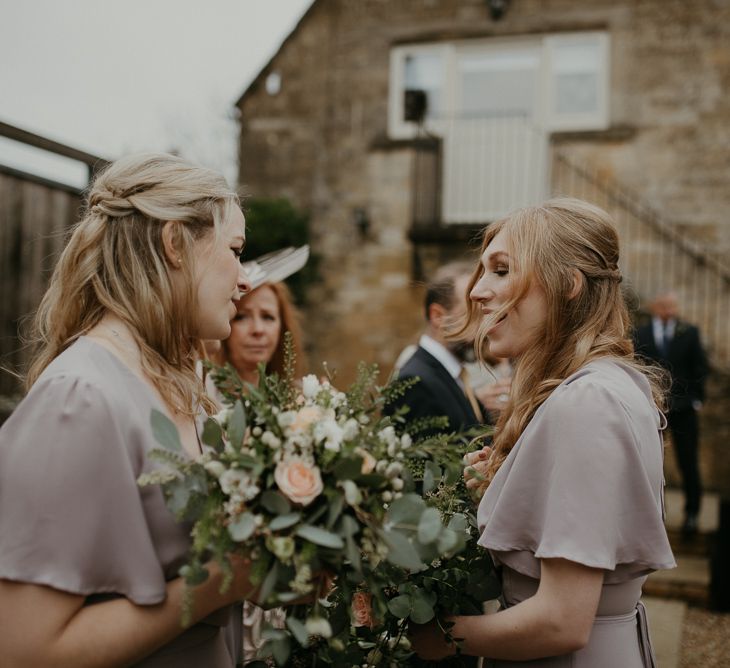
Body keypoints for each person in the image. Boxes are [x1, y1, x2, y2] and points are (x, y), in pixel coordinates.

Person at [0, 153, 261, 667]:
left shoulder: (185, 385)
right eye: (235, 250)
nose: (246, 280)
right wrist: (223, 581)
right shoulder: (78, 399)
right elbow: (24, 650)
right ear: (174, 245)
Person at [410, 198, 676, 667]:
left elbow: (561, 621)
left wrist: (439, 636)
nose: (477, 292)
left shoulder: (587, 401)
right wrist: (506, 487)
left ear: (567, 284)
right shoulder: (601, 383)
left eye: (501, 270)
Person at [209, 280, 305, 664]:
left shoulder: (301, 398)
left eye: (268, 316)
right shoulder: (203, 400)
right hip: (232, 569)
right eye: (244, 315)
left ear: (283, 328)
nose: (257, 329)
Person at [633, 291, 709, 536]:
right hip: (653, 408)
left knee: (688, 462)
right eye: (665, 306)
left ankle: (692, 515)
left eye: (673, 306)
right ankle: (650, 517)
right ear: (655, 306)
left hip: (685, 409)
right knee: (650, 461)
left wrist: (696, 399)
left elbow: (701, 367)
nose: (670, 311)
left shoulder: (689, 332)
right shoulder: (641, 333)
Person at [388, 262, 494, 435]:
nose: (485, 328)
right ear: (438, 316)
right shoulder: (415, 382)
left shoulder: (455, 375)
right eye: (474, 315)